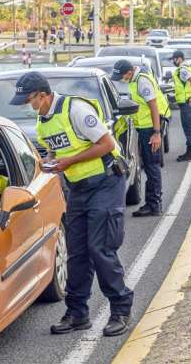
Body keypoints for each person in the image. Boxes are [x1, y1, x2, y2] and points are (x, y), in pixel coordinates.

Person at [9, 72, 134, 337]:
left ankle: (121, 310)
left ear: (43, 95)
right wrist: (49, 161)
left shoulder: (75, 109)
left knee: (100, 248)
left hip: (105, 182)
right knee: (76, 252)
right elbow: (56, 151)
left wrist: (68, 162)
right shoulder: (44, 121)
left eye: (29, 100)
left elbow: (106, 144)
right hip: (77, 188)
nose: (28, 106)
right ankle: (77, 313)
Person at [111, 59, 170, 217]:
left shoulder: (142, 81)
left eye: (122, 76)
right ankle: (152, 204)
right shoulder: (135, 79)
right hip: (145, 128)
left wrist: (157, 133)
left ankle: (154, 205)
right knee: (150, 165)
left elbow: (153, 106)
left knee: (152, 166)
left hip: (151, 128)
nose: (122, 80)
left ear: (129, 72)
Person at [171, 50, 191, 162]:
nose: (173, 61)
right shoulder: (188, 67)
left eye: (174, 59)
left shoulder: (182, 70)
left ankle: (190, 153)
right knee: (189, 127)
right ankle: (190, 151)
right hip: (187, 102)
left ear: (180, 58)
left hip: (186, 103)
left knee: (188, 128)